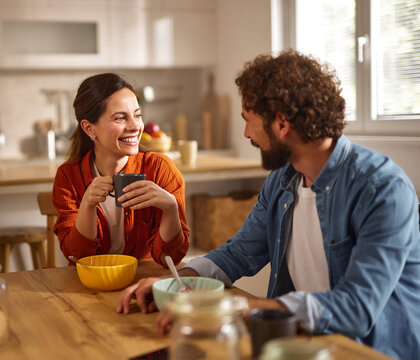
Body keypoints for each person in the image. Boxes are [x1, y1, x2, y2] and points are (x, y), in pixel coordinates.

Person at [116, 50, 420, 359]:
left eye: (249, 121)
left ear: (282, 123)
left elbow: (358, 307)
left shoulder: (381, 187)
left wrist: (237, 308)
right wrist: (176, 284)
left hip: (370, 351)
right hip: (299, 345)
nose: (246, 133)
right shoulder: (283, 180)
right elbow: (239, 253)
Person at [52, 73, 189, 267]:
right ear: (89, 129)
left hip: (142, 282)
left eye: (137, 115)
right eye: (120, 118)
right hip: (90, 285)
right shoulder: (68, 176)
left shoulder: (160, 169)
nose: (135, 126)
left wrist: (171, 208)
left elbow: (170, 259)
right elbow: (77, 257)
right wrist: (87, 206)